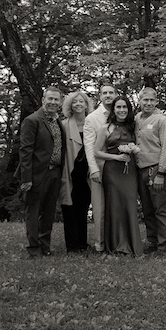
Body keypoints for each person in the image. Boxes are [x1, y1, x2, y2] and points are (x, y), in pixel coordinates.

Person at [15, 87, 66, 257]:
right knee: (34, 211)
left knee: (49, 212)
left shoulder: (58, 121)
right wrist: (26, 178)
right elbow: (25, 151)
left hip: (55, 173)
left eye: (56, 99)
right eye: (50, 98)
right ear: (43, 99)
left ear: (60, 102)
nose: (53, 102)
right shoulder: (32, 120)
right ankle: (34, 248)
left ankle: (45, 246)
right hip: (37, 174)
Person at [94, 95, 142, 256]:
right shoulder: (105, 128)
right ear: (113, 110)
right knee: (114, 205)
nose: (122, 110)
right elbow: (96, 152)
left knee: (129, 202)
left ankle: (132, 245)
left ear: (129, 109)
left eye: (124, 107)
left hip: (130, 171)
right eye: (118, 107)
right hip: (112, 171)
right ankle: (115, 245)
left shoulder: (133, 127)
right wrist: (116, 157)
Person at [135, 87, 166, 254]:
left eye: (152, 100)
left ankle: (163, 245)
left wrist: (161, 172)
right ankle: (152, 241)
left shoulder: (162, 120)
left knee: (160, 209)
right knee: (147, 209)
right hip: (140, 170)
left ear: (156, 102)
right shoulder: (137, 118)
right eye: (145, 100)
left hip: (156, 169)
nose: (148, 103)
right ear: (140, 101)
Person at [83, 84, 117, 252]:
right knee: (100, 207)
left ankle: (116, 241)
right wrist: (93, 169)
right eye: (105, 93)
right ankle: (100, 244)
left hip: (118, 168)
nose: (108, 95)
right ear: (100, 96)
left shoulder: (121, 114)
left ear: (116, 95)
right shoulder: (92, 118)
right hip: (100, 167)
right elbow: (89, 146)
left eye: (111, 92)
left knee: (116, 206)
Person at [59, 90, 94, 253]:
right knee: (70, 208)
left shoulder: (92, 123)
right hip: (70, 172)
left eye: (81, 101)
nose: (78, 104)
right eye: (75, 102)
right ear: (70, 106)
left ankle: (82, 243)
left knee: (83, 208)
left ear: (87, 105)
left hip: (89, 173)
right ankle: (72, 246)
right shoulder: (64, 125)